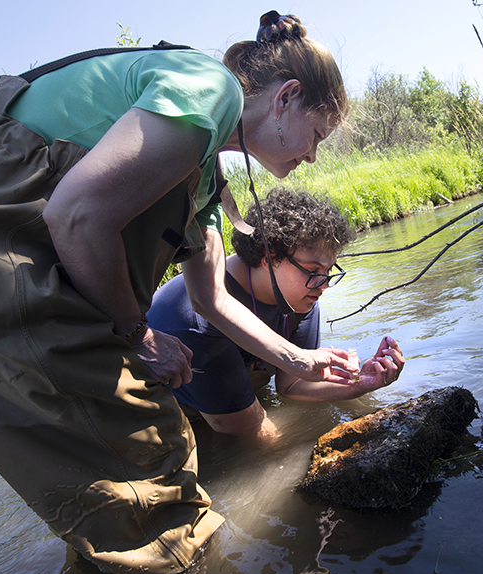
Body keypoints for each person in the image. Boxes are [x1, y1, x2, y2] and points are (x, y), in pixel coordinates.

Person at [0, 11, 358, 574]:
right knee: (153, 463)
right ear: (286, 97)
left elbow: (212, 301)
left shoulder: (199, 178)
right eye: (317, 134)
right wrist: (142, 335)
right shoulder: (207, 88)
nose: (313, 155)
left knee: (107, 488)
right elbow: (77, 217)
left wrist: (302, 359)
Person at [147, 188, 405, 440]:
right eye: (314, 270)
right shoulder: (198, 319)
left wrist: (359, 384)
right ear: (269, 258)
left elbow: (291, 385)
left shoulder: (298, 298)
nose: (324, 284)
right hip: (163, 420)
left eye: (329, 272)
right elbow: (254, 432)